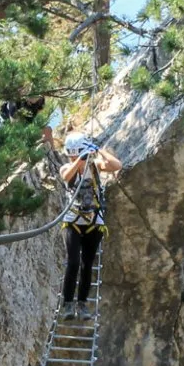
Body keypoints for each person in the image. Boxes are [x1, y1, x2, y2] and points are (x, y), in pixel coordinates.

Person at [58, 131, 122, 320]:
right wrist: (79, 160)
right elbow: (66, 177)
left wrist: (99, 150)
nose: (72, 157)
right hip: (73, 222)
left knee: (87, 265)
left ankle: (82, 304)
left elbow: (117, 165)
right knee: (73, 263)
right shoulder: (66, 168)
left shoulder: (94, 167)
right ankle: (68, 304)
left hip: (94, 222)